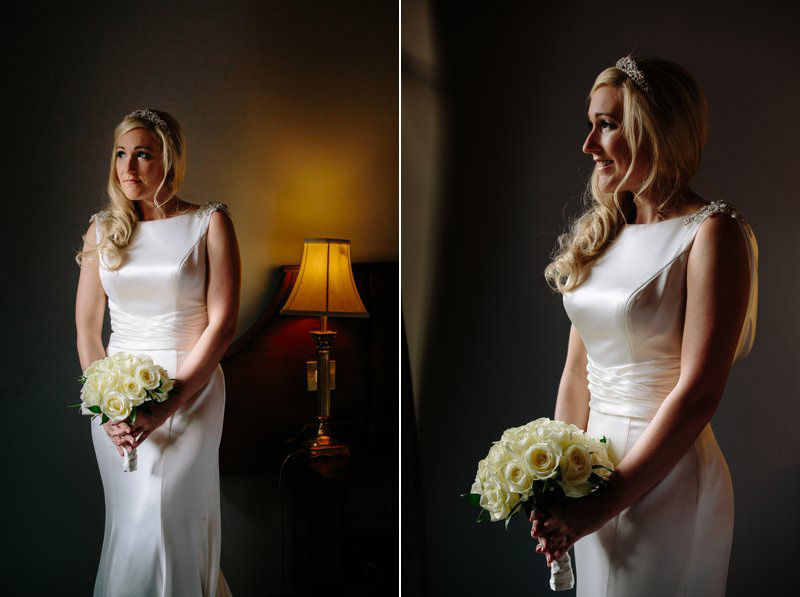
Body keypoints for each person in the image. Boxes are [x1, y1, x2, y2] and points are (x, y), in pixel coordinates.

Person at [529, 56, 758, 596]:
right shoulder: (608, 231)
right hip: (591, 474)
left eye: (606, 125)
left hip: (668, 479)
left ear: (656, 129)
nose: (588, 144)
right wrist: (561, 480)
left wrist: (604, 503)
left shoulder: (712, 233)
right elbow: (574, 375)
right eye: (591, 124)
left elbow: (699, 393)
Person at [75, 108, 241, 596]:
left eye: (143, 154)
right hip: (115, 400)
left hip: (190, 390)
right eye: (121, 154)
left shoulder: (209, 223)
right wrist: (105, 406)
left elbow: (223, 324)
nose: (128, 167)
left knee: (169, 521)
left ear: (169, 159)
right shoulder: (102, 230)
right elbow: (87, 330)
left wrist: (168, 402)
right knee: (132, 525)